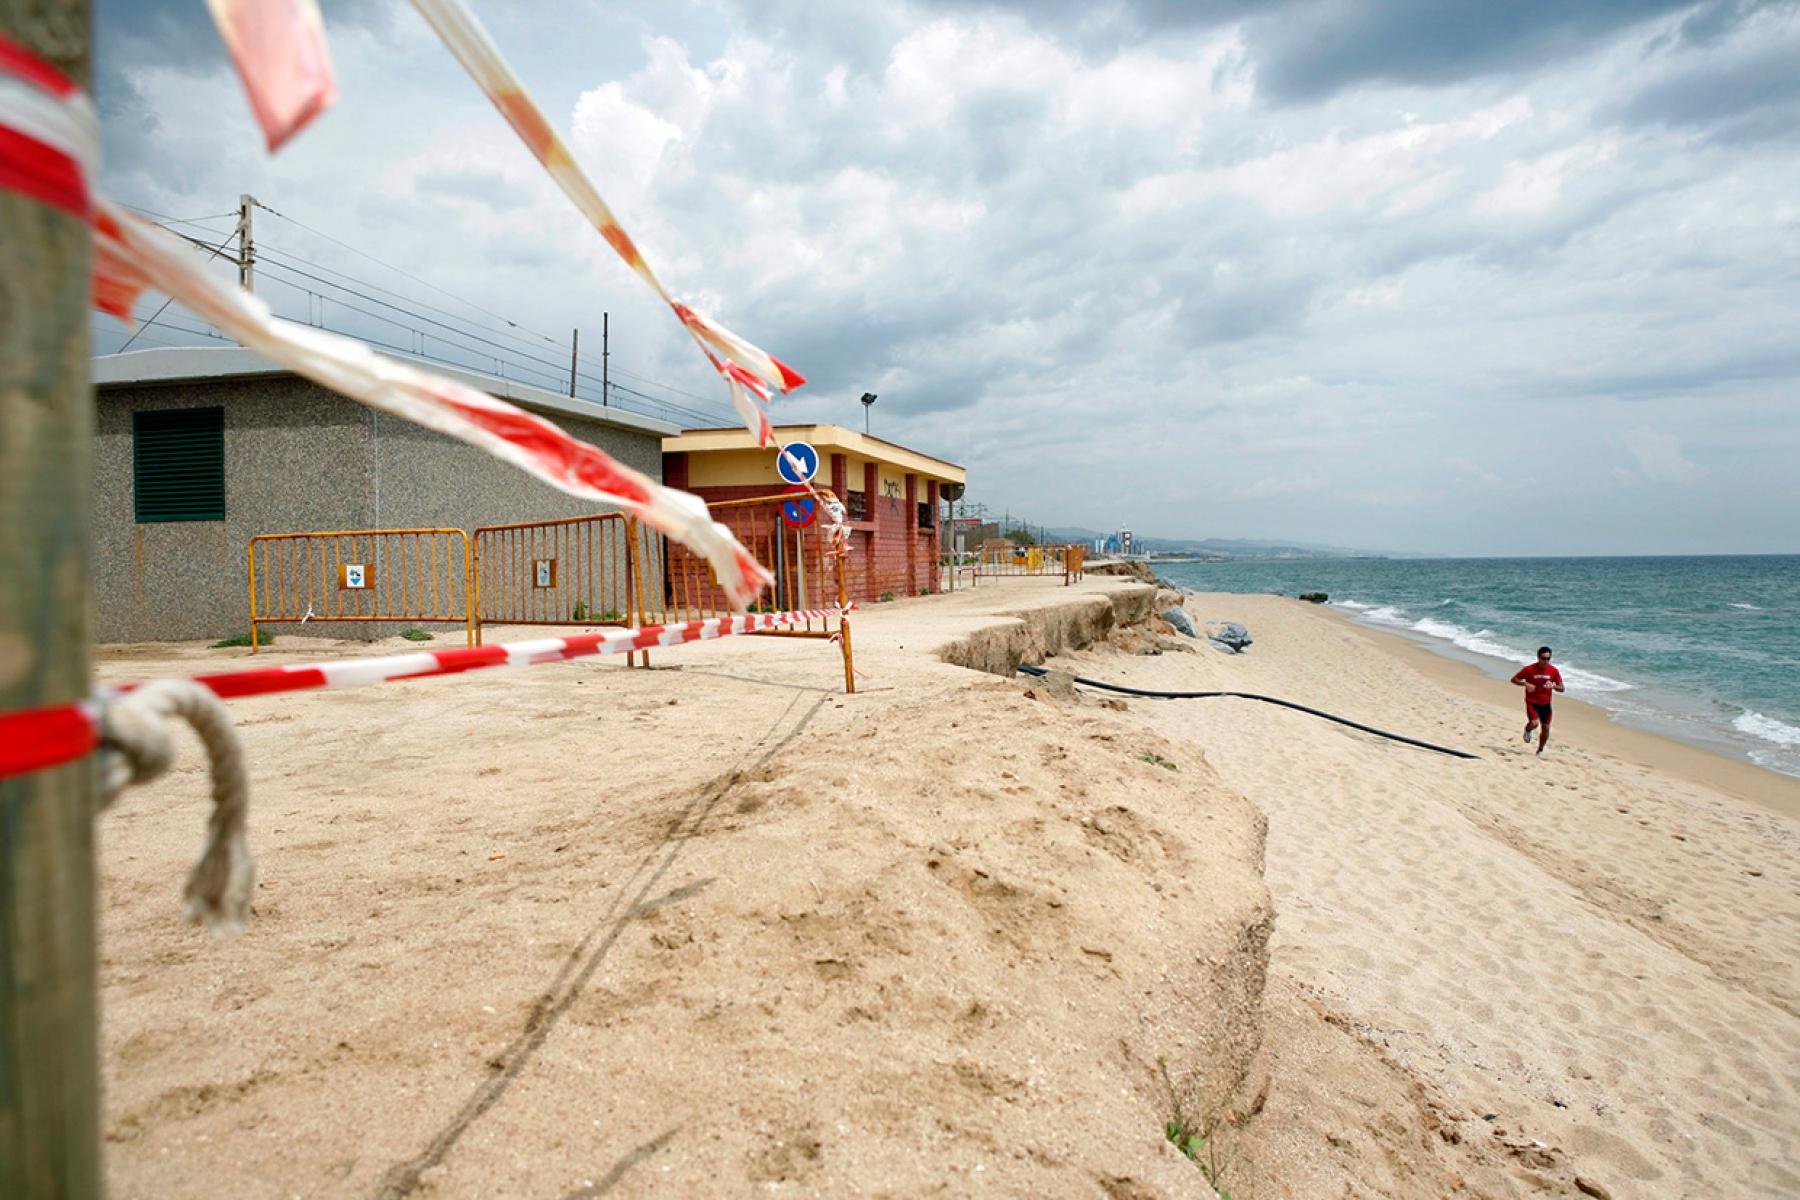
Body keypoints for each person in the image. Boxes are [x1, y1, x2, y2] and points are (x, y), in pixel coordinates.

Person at [1511, 646, 1565, 755]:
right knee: (1534, 723)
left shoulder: (1553, 671)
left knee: (1546, 728)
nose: (1545, 661)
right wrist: (1525, 684)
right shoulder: (1529, 669)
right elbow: (1514, 679)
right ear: (1538, 657)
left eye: (1548, 659)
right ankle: (1528, 730)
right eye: (1543, 658)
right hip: (1532, 701)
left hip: (1546, 703)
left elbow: (1562, 688)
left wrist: (1553, 686)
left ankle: (1540, 750)